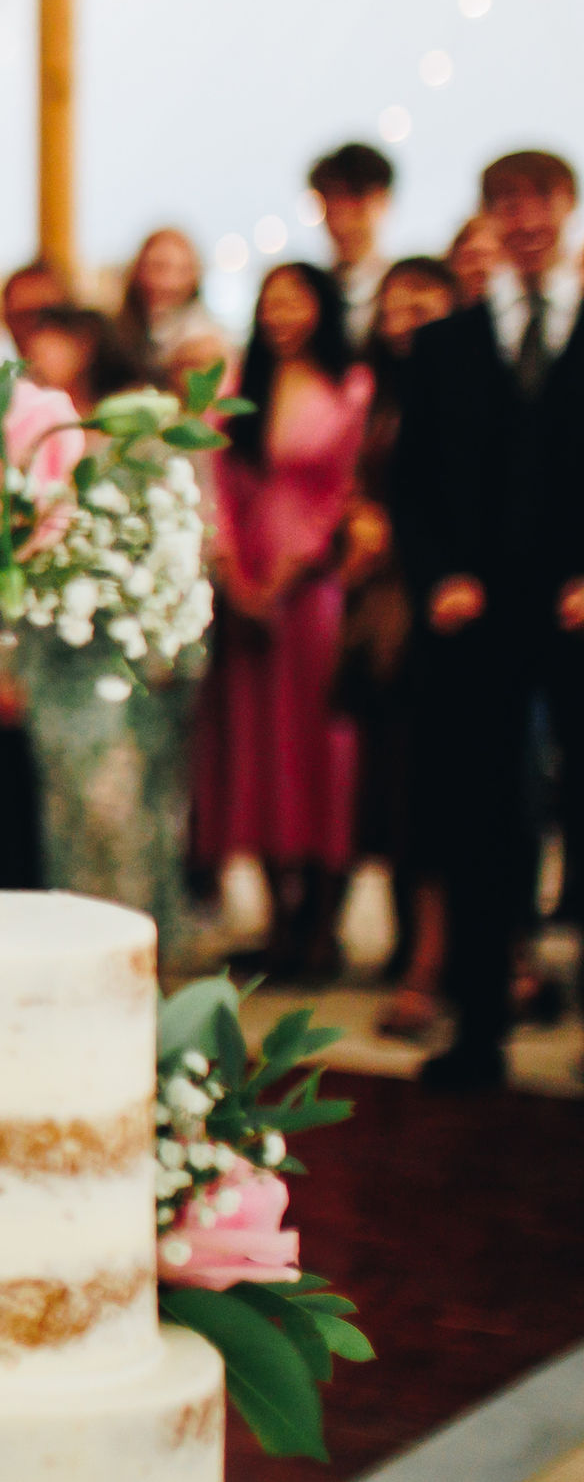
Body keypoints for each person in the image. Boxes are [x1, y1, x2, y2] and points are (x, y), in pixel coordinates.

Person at [391, 149, 584, 1090]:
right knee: (481, 822)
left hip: (579, 611)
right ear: (489, 222)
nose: (525, 218)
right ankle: (477, 1030)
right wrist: (438, 578)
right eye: (506, 204)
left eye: (540, 199)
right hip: (476, 620)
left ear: (568, 208)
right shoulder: (445, 346)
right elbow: (409, 486)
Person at [196, 263, 371, 979]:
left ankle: (321, 925)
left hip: (317, 593)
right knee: (257, 755)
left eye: (295, 301)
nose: (281, 314)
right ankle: (274, 923)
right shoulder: (241, 385)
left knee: (323, 754)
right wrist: (235, 575)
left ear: (322, 308)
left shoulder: (351, 386)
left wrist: (294, 571)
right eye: (271, 302)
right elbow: (220, 483)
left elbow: (347, 488)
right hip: (247, 596)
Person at [16, 310, 203, 970]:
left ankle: (138, 957)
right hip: (51, 650)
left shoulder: (137, 432)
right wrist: (13, 663)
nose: (36, 350)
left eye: (50, 337)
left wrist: (165, 646)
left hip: (123, 650)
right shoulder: (33, 436)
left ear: (87, 343)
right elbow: (14, 554)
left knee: (123, 808)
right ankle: (76, 956)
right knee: (63, 808)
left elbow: (179, 534)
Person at [343, 256, 461, 1034]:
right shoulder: (381, 395)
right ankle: (413, 948)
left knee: (457, 790)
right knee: (399, 787)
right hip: (389, 608)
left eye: (425, 301)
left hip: (454, 603)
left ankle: (446, 957)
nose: (408, 316)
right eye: (396, 305)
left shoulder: (471, 387)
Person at [314, 141, 397, 346]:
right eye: (332, 207)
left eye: (355, 206)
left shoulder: (400, 287)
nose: (342, 223)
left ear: (383, 201)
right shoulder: (312, 293)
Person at [123, 225, 227, 380]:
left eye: (182, 271)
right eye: (159, 267)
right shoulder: (122, 330)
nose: (168, 282)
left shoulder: (202, 339)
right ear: (138, 269)